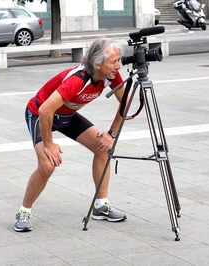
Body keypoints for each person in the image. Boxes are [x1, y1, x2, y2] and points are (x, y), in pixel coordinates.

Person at [14, 38, 128, 232]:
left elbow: (126, 101)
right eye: (113, 61)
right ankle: (24, 211)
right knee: (47, 165)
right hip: (39, 114)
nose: (118, 66)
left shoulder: (111, 75)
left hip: (66, 115)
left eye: (119, 61)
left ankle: (100, 206)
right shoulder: (78, 79)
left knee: (103, 148)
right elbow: (44, 111)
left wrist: (111, 133)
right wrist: (49, 144)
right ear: (98, 63)